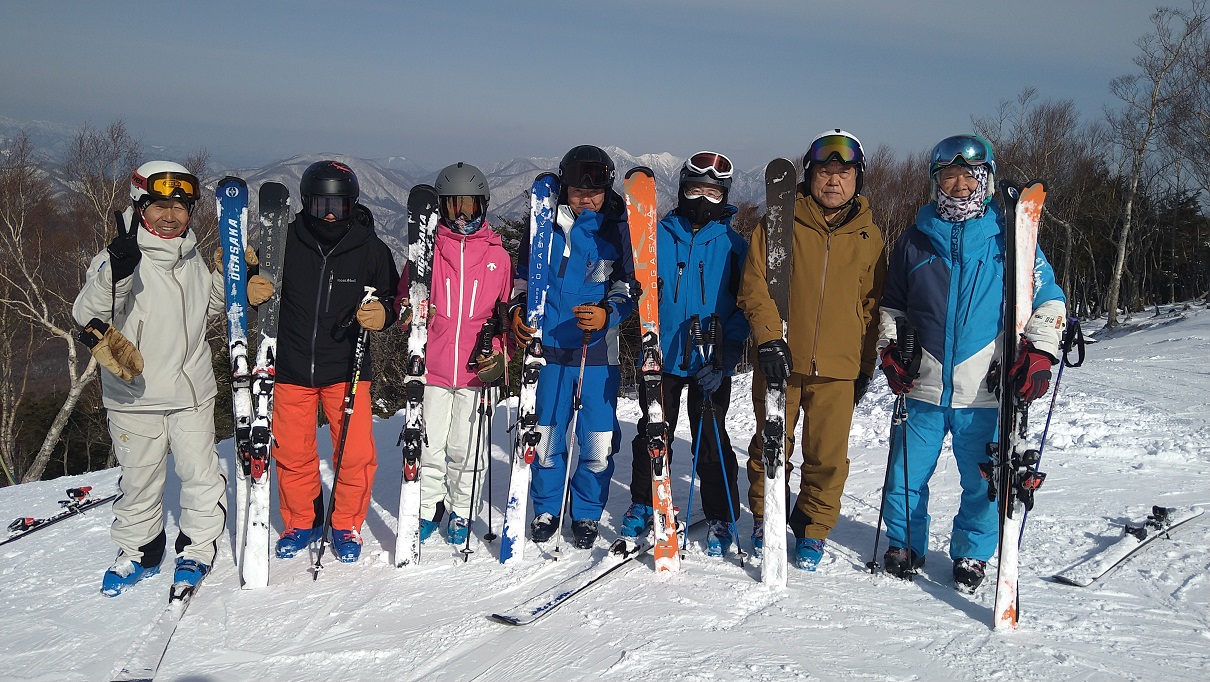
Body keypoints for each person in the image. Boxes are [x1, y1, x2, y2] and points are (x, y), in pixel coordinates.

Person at [877, 134, 1066, 591]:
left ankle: (972, 553)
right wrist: (889, 350)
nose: (959, 185)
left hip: (984, 388)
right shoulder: (913, 241)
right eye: (948, 176)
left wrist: (1040, 353)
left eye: (969, 176)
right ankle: (904, 543)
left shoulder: (1011, 239)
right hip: (922, 384)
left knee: (984, 481)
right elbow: (892, 305)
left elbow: (1049, 299)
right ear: (935, 181)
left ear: (986, 180)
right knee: (904, 474)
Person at [74, 161, 228, 596]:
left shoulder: (191, 255)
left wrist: (227, 278)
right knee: (140, 480)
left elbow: (206, 310)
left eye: (180, 207)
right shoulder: (119, 257)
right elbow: (88, 314)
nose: (170, 216)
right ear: (140, 207)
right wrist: (117, 273)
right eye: (159, 205)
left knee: (201, 477)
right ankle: (140, 550)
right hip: (135, 394)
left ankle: (197, 549)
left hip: (191, 391)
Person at [737, 129, 886, 571]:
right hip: (779, 359)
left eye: (844, 173)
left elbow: (872, 306)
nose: (833, 181)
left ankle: (813, 529)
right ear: (809, 175)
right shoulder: (779, 222)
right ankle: (766, 518)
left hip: (838, 367)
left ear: (858, 179)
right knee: (770, 447)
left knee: (828, 457)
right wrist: (769, 339)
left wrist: (864, 365)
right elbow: (754, 285)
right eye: (824, 172)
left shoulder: (869, 236)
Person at [619, 151, 750, 557]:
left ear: (725, 196)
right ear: (681, 191)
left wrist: (728, 355)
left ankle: (721, 513)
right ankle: (645, 501)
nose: (703, 200)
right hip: (662, 356)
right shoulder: (656, 236)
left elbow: (746, 306)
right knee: (653, 431)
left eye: (713, 193)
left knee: (711, 437)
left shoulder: (734, 246)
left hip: (711, 358)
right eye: (695, 190)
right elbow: (635, 283)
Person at [270, 160, 399, 563]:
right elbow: (260, 281)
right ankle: (302, 520)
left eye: (339, 206)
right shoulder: (286, 241)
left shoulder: (370, 249)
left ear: (352, 206)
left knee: (354, 453)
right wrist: (251, 281)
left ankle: (345, 524)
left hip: (348, 368)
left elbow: (395, 298)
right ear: (306, 203)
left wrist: (384, 313)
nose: (329, 215)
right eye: (322, 205)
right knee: (292, 452)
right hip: (292, 366)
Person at [509, 145, 637, 549]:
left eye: (593, 191)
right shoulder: (543, 225)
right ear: (565, 188)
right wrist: (517, 310)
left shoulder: (616, 230)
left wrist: (607, 314)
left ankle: (586, 512)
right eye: (578, 190)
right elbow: (523, 279)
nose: (585, 198)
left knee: (598, 443)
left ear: (606, 190)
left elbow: (628, 287)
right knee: (545, 438)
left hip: (596, 354)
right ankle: (547, 507)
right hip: (547, 352)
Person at [406, 163, 512, 545]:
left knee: (467, 450)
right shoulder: (426, 253)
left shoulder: (498, 257)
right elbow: (407, 300)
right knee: (429, 444)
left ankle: (462, 510)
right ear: (441, 208)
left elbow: (504, 317)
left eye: (470, 206)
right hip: (432, 368)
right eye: (454, 207)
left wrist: (498, 356)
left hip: (474, 372)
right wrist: (410, 314)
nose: (463, 216)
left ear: (483, 205)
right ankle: (426, 507)